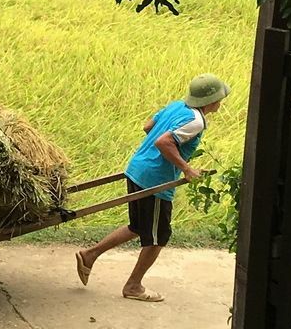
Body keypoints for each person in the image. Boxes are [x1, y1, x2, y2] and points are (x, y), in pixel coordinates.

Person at [74, 73, 230, 302]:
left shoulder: (177, 106)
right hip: (155, 181)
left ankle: (89, 255)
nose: (220, 102)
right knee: (159, 237)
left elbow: (149, 127)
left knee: (138, 226)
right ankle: (133, 286)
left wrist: (169, 156)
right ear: (210, 101)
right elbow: (163, 141)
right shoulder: (197, 121)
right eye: (219, 98)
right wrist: (186, 168)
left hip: (137, 169)